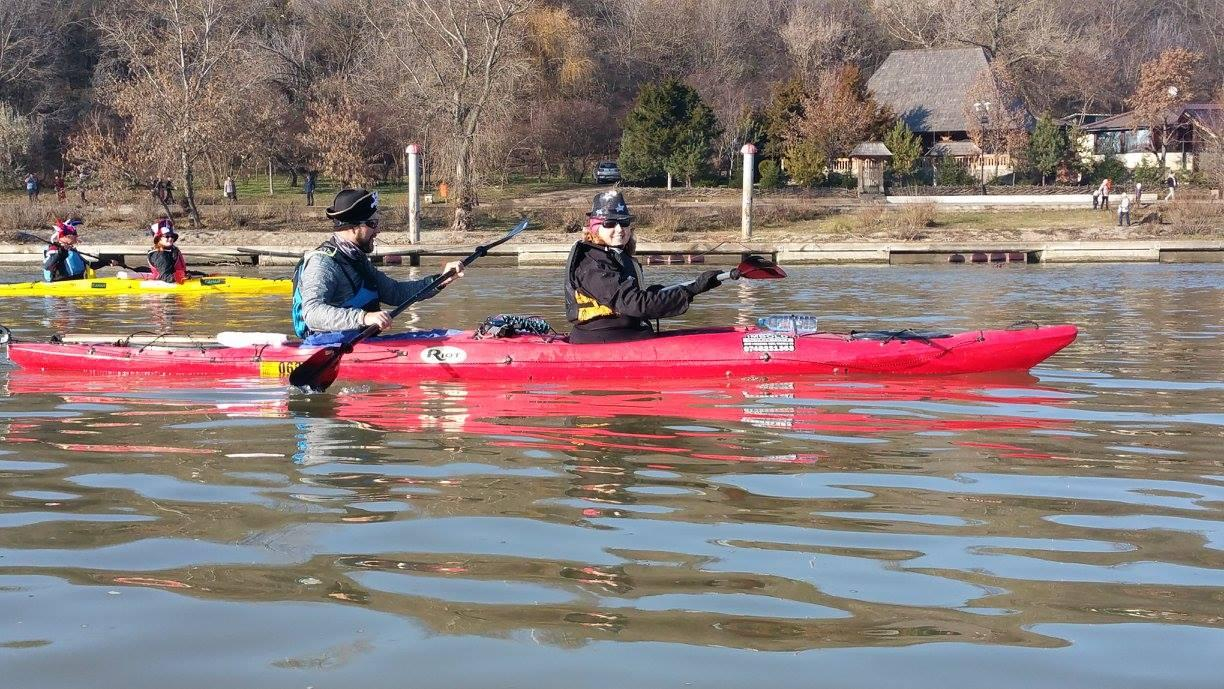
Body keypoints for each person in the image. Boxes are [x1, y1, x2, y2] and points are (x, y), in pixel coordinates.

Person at [291, 187, 465, 345]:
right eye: (372, 224)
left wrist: (441, 279)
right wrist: (364, 317)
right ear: (352, 227)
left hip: (362, 343)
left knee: (448, 335)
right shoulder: (323, 263)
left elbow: (396, 293)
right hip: (329, 346)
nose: (378, 230)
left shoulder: (357, 260)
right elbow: (312, 313)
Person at [564, 190, 723, 344]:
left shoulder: (615, 255)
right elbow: (634, 304)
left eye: (624, 222)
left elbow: (638, 298)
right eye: (610, 223)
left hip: (627, 334)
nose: (619, 229)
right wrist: (690, 291)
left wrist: (697, 286)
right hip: (602, 340)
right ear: (595, 228)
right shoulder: (591, 263)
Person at [42, 219, 114, 282]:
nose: (76, 237)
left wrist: (106, 262)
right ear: (64, 237)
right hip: (61, 282)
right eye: (74, 235)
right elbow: (47, 266)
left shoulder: (72, 250)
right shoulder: (53, 249)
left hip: (78, 281)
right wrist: (62, 251)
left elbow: (89, 265)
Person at [121, 219, 189, 283]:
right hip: (165, 283)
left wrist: (196, 274)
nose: (170, 238)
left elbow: (178, 271)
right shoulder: (160, 255)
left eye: (172, 236)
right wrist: (181, 277)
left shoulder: (171, 251)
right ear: (159, 238)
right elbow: (165, 276)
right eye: (167, 236)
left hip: (173, 278)